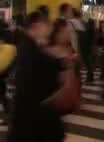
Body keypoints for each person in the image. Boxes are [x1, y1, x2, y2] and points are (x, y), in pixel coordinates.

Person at [8, 11, 64, 141]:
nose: (50, 28)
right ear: (37, 26)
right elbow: (29, 86)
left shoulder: (32, 46)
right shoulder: (29, 50)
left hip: (31, 120)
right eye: (47, 24)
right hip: (31, 121)